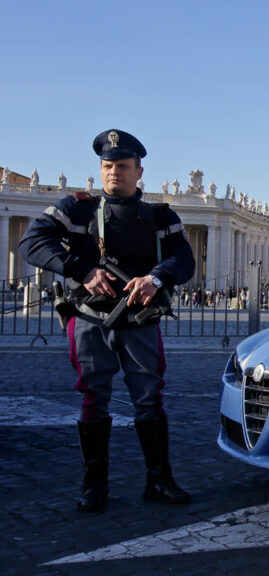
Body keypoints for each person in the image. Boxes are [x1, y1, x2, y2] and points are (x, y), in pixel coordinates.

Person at [19, 129, 195, 513]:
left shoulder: (161, 215)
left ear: (139, 171)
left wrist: (156, 277)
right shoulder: (76, 209)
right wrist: (80, 270)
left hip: (139, 319)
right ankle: (94, 486)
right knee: (92, 398)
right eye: (108, 165)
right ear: (101, 170)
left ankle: (159, 480)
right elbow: (31, 242)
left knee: (149, 399)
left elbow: (185, 260)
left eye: (123, 166)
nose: (115, 172)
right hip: (88, 318)